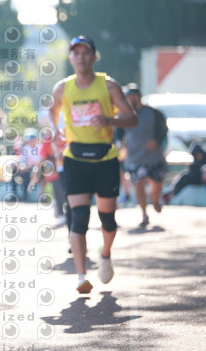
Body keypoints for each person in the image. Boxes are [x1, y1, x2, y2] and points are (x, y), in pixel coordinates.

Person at [49, 36, 138, 294]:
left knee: (107, 220)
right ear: (70, 58)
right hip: (75, 159)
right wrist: (56, 131)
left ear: (94, 57)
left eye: (85, 53)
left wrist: (110, 120)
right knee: (78, 217)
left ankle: (105, 252)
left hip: (104, 159)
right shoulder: (62, 88)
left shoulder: (108, 86)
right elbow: (52, 112)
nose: (81, 57)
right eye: (75, 53)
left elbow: (132, 118)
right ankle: (81, 276)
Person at [115, 83, 168, 227]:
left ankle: (155, 198)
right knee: (138, 184)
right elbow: (118, 133)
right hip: (134, 157)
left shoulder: (153, 113)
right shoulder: (123, 114)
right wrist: (119, 144)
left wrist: (156, 141)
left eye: (133, 95)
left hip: (153, 156)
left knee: (156, 184)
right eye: (129, 96)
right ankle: (144, 213)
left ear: (139, 96)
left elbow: (163, 129)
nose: (131, 99)